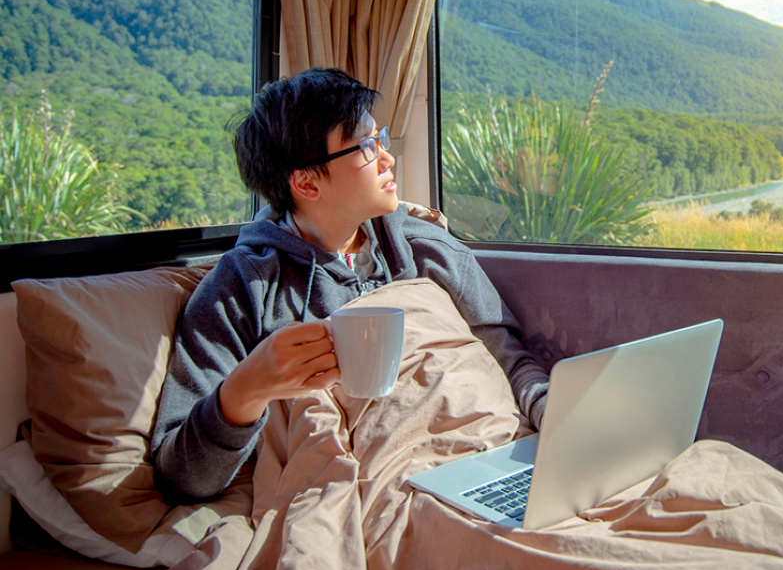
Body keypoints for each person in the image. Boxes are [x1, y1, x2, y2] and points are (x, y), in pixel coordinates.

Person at [151, 67, 549, 502]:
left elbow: (508, 361)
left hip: (504, 456)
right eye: (365, 146)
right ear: (305, 182)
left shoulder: (425, 245)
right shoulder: (244, 286)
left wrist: (559, 419)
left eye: (380, 138)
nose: (386, 157)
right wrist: (245, 391)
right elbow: (181, 475)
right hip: (389, 489)